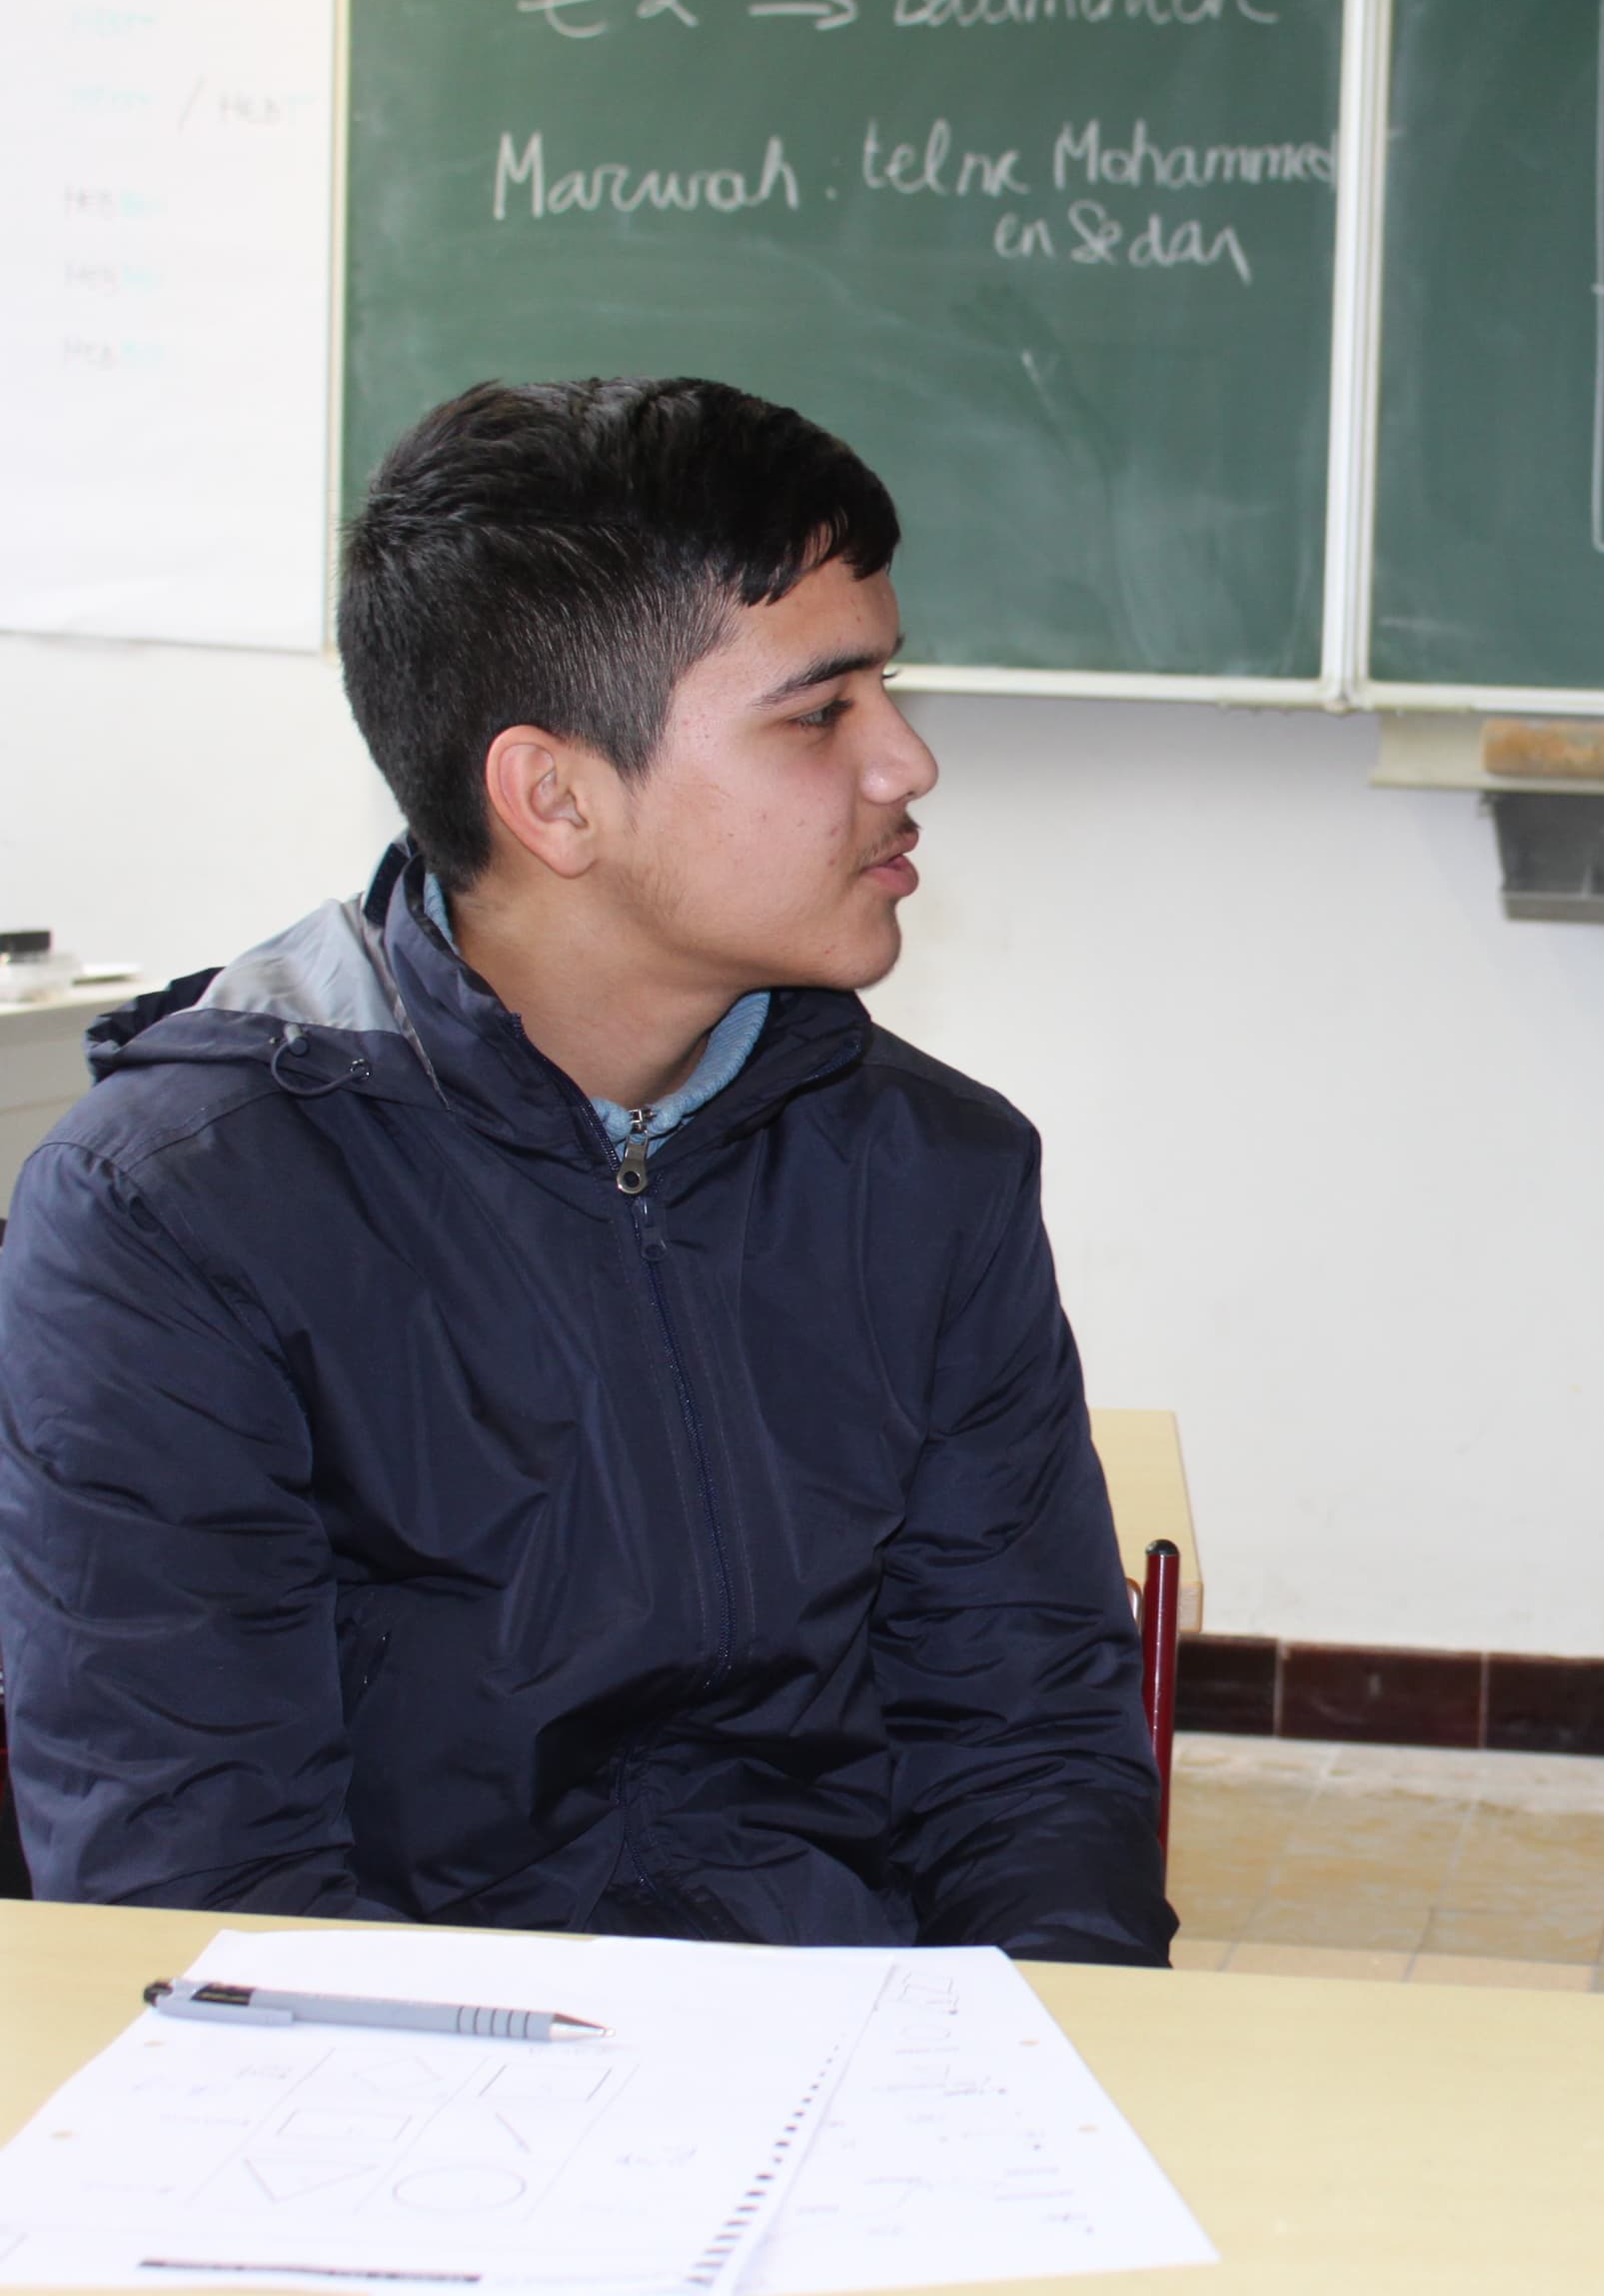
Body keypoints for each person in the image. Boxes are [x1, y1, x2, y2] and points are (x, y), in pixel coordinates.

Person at [0, 377, 1173, 1963]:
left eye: (888, 689)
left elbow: (1025, 1755)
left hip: (851, 2071)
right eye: (821, 712)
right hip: (396, 2105)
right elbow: (201, 1884)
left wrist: (1036, 2077)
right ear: (553, 796)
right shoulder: (175, 1211)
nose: (907, 764)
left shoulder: (932, 1175)